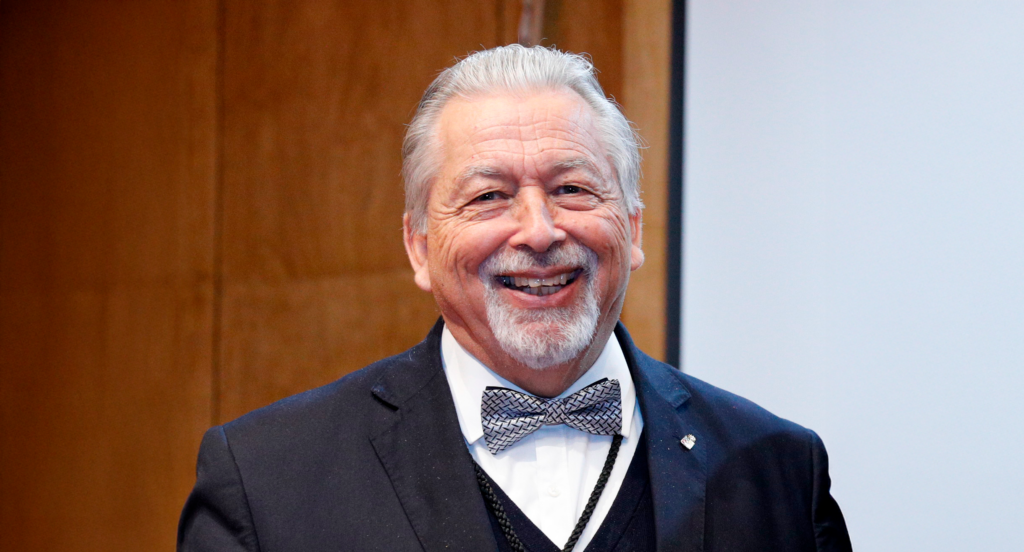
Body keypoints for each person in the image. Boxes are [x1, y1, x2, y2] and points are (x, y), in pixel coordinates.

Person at [178, 45, 852, 552]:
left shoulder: (780, 470)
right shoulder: (268, 482)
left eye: (572, 189)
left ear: (633, 229)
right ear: (419, 246)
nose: (539, 231)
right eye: (489, 196)